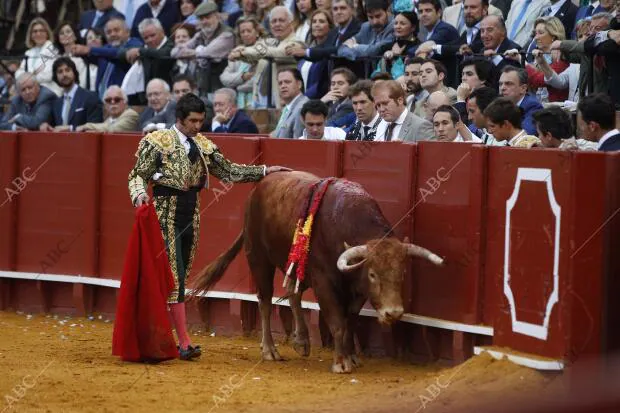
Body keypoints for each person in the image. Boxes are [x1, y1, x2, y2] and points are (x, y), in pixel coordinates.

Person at [127, 93, 290, 360]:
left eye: (201, 121)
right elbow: (137, 175)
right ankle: (183, 342)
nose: (198, 126)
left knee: (180, 274)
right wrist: (138, 195)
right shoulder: (157, 141)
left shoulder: (203, 145)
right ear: (179, 119)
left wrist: (264, 171)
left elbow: (228, 172)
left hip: (190, 211)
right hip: (164, 211)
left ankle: (164, 336)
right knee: (175, 277)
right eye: (193, 121)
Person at [39, 57, 103, 132]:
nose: (64, 74)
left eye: (67, 70)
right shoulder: (56, 103)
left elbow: (95, 127)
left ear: (74, 73)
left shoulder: (90, 97)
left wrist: (71, 128)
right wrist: (46, 125)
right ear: (56, 77)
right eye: (60, 72)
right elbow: (54, 127)